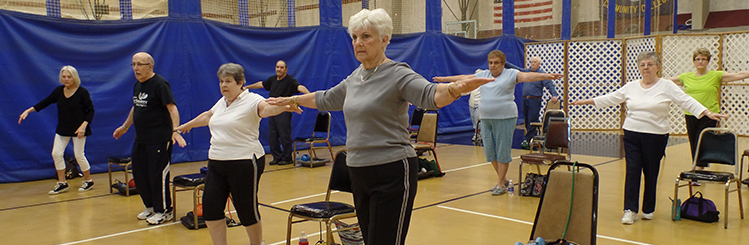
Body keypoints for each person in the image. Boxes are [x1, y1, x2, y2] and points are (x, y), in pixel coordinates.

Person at [266, 9, 493, 245]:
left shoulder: (398, 73)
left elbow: (430, 94)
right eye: (354, 37)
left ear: (385, 39)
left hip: (392, 171)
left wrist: (455, 89)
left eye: (366, 36)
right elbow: (325, 98)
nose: (358, 43)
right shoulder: (356, 77)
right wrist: (291, 100)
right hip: (359, 171)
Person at [571, 51, 728, 225]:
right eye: (643, 65)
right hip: (631, 133)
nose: (646, 68)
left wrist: (706, 112)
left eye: (650, 64)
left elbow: (686, 100)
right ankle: (630, 210)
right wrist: (588, 101)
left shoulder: (666, 86)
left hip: (656, 136)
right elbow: (612, 98)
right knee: (632, 171)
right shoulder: (631, 86)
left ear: (657, 67)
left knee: (651, 172)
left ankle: (648, 209)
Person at [176, 63, 300, 245]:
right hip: (217, 163)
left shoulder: (252, 100)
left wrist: (284, 106)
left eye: (228, 81)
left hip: (244, 162)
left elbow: (266, 109)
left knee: (246, 211)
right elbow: (208, 116)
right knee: (211, 210)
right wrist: (187, 125)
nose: (223, 85)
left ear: (240, 82)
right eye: (220, 81)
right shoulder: (222, 102)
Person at [434, 50, 562, 196]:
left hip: (505, 117)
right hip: (486, 118)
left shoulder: (511, 74)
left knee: (502, 150)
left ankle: (500, 183)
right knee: (490, 152)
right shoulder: (483, 75)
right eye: (490, 63)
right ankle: (504, 179)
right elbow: (464, 78)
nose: (493, 66)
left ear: (502, 64)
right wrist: (444, 79)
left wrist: (547, 76)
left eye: (496, 63)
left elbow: (528, 76)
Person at [113, 52, 186, 225]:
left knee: (157, 175)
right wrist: (125, 126)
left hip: (159, 139)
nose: (136, 68)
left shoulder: (160, 84)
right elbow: (136, 107)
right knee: (139, 175)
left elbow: (172, 108)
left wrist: (176, 131)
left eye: (140, 64)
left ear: (150, 66)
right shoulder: (138, 85)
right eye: (134, 64)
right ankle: (151, 206)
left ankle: (164, 210)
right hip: (141, 139)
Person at [665, 48, 749, 180]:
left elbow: (737, 75)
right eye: (697, 59)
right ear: (693, 61)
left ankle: (697, 170)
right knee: (694, 141)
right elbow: (667, 81)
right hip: (691, 114)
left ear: (708, 61)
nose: (700, 62)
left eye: (703, 59)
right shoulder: (686, 77)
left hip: (710, 114)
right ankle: (697, 168)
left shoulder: (715, 76)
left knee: (702, 140)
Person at [19, 66, 95, 194]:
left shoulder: (82, 92)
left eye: (69, 77)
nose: (66, 79)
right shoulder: (59, 91)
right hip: (63, 128)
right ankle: (62, 183)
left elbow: (90, 110)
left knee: (79, 155)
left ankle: (88, 181)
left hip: (79, 130)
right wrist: (28, 110)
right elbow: (45, 102)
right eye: (64, 76)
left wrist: (84, 126)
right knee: (56, 153)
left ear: (74, 77)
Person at [243, 60, 310, 165]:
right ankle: (277, 157)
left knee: (284, 135)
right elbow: (261, 84)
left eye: (281, 67)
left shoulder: (290, 80)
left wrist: (310, 95)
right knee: (272, 136)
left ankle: (287, 158)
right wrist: (247, 87)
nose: (279, 69)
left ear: (286, 69)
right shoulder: (273, 79)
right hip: (272, 111)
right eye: (277, 67)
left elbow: (299, 87)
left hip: (284, 111)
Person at [520, 57, 560, 150]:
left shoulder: (542, 74)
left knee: (532, 119)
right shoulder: (527, 72)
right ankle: (530, 138)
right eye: (532, 62)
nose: (533, 64)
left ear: (539, 64)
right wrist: (504, 63)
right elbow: (517, 69)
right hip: (525, 99)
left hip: (534, 99)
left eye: (535, 62)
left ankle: (529, 139)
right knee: (526, 119)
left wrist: (554, 95)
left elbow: (549, 84)